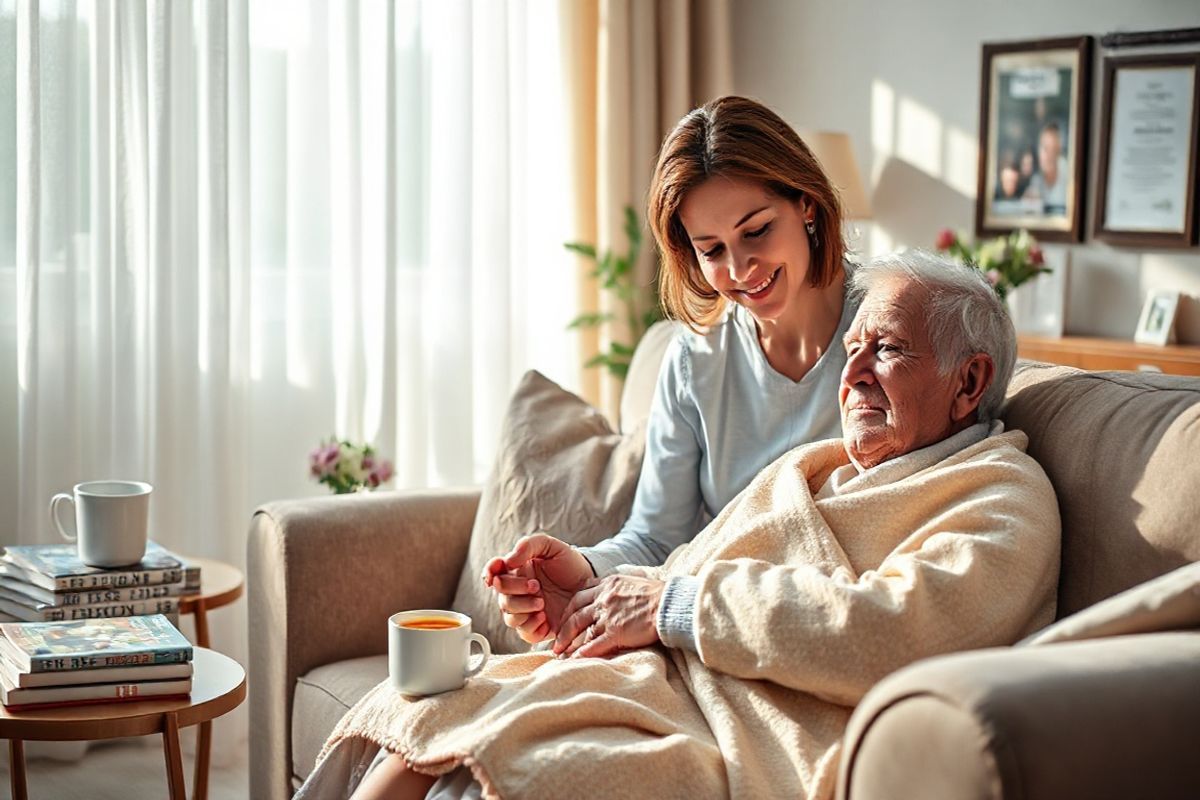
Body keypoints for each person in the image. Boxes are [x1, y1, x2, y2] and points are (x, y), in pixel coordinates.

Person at [296, 252, 1061, 800]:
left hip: (755, 721)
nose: (854, 374)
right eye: (853, 349)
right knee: (418, 717)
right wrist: (597, 601)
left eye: (886, 349)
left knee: (502, 765)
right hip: (669, 678)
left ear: (969, 383)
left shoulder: (1001, 498)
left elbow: (894, 630)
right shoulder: (821, 466)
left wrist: (668, 608)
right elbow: (691, 559)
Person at [486, 95, 861, 647]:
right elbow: (657, 536)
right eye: (712, 249)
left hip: (826, 622)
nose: (739, 270)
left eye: (756, 231)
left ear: (807, 204)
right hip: (712, 627)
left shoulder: (887, 325)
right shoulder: (695, 359)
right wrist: (584, 571)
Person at [1023, 121, 1069, 214]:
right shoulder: (1036, 180)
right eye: (1044, 148)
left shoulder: (1069, 176)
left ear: (1059, 151)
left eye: (1053, 149)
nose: (1048, 155)